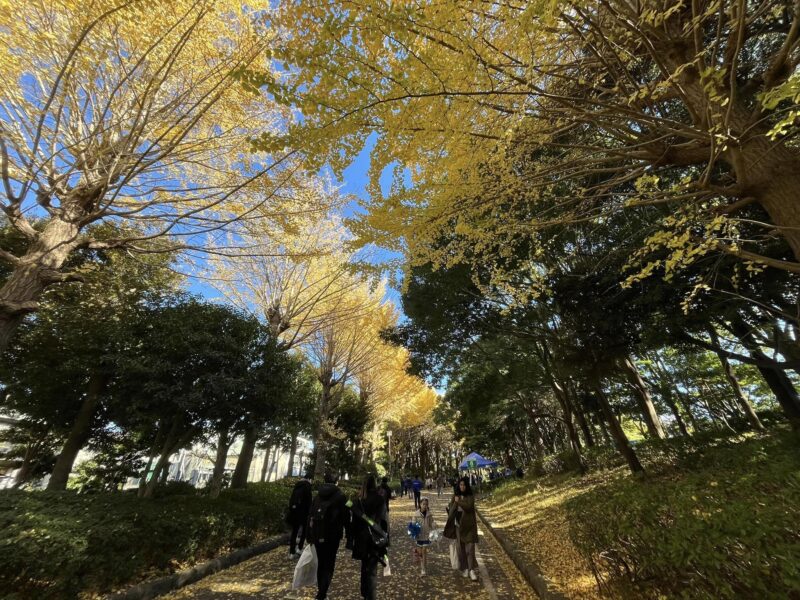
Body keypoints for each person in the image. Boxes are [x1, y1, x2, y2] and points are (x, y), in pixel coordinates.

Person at [307, 472, 350, 600]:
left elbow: (310, 515)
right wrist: (349, 534)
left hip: (318, 533)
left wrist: (309, 535)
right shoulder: (341, 496)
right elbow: (346, 516)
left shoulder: (317, 496)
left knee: (321, 562)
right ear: (337, 481)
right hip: (333, 535)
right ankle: (322, 592)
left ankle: (321, 590)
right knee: (329, 562)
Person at [351, 475, 388, 600]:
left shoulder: (358, 500)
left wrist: (352, 538)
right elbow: (384, 521)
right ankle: (370, 596)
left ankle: (364, 592)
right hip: (375, 538)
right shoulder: (379, 499)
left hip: (361, 538)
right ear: (374, 483)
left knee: (364, 565)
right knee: (372, 570)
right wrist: (385, 540)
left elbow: (353, 522)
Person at [450, 476, 479, 581]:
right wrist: (454, 504)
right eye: (461, 485)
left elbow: (469, 507)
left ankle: (471, 570)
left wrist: (458, 502)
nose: (462, 487)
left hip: (469, 526)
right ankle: (465, 568)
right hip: (458, 526)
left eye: (464, 485)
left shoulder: (470, 496)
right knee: (461, 549)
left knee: (470, 548)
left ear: (467, 486)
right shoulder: (455, 496)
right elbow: (451, 509)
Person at [286, 475, 313, 558]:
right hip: (304, 513)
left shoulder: (297, 486)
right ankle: (299, 548)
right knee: (304, 531)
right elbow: (309, 502)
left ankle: (291, 552)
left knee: (294, 532)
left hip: (295, 513)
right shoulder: (308, 487)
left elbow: (291, 500)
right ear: (309, 479)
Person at [414, 497, 436, 576]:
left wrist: (434, 525)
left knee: (424, 551)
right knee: (420, 553)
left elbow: (432, 522)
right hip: (419, 536)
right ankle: (422, 566)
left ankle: (423, 569)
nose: (425, 506)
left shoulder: (429, 514)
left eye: (426, 504)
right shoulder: (416, 514)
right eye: (423, 504)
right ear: (420, 504)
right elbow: (413, 523)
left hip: (426, 536)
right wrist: (414, 528)